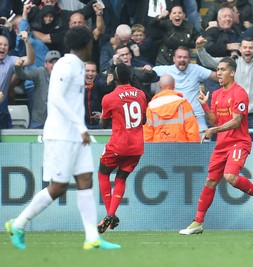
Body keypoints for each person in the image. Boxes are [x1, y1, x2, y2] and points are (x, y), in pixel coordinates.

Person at [5, 26, 120, 250]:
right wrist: (80, 127)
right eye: (91, 42)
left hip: (76, 137)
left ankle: (91, 237)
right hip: (61, 135)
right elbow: (55, 98)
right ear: (86, 44)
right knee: (57, 188)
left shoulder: (79, 66)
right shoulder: (65, 66)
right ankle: (18, 224)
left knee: (86, 180)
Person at [179, 57, 253, 235]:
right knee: (211, 181)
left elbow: (236, 121)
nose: (219, 73)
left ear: (232, 72)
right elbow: (214, 120)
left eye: (222, 69)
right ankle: (197, 222)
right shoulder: (216, 94)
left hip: (239, 142)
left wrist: (214, 130)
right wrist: (205, 106)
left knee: (230, 175)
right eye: (218, 70)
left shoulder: (240, 93)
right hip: (222, 144)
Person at [94, 63, 147, 234]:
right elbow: (143, 121)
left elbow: (103, 124)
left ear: (114, 77)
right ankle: (110, 215)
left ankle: (110, 214)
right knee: (121, 179)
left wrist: (100, 116)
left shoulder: (109, 98)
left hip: (118, 144)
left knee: (103, 173)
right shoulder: (141, 94)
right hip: (137, 146)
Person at [151, 46, 218, 132]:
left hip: (196, 115)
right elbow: (146, 71)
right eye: (179, 57)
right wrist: (147, 69)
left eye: (185, 57)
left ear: (189, 59)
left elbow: (216, 76)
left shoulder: (196, 69)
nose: (182, 59)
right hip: (175, 117)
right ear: (174, 59)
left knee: (204, 141)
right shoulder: (166, 69)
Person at [144, 74, 200, 142]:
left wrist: (148, 151)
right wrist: (194, 150)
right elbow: (192, 130)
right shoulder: (183, 104)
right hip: (181, 149)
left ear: (159, 85)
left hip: (158, 149)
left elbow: (147, 133)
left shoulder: (151, 106)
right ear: (174, 85)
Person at [14, 50, 60, 129]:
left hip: (58, 122)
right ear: (45, 64)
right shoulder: (39, 72)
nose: (54, 65)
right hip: (39, 121)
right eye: (51, 62)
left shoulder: (66, 76)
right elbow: (22, 75)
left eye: (57, 62)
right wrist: (18, 67)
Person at [0, 31, 35, 130]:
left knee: (5, 141)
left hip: (2, 108)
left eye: (5, 45)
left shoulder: (10, 60)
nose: (3, 47)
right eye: (0, 44)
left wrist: (27, 41)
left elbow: (30, 60)